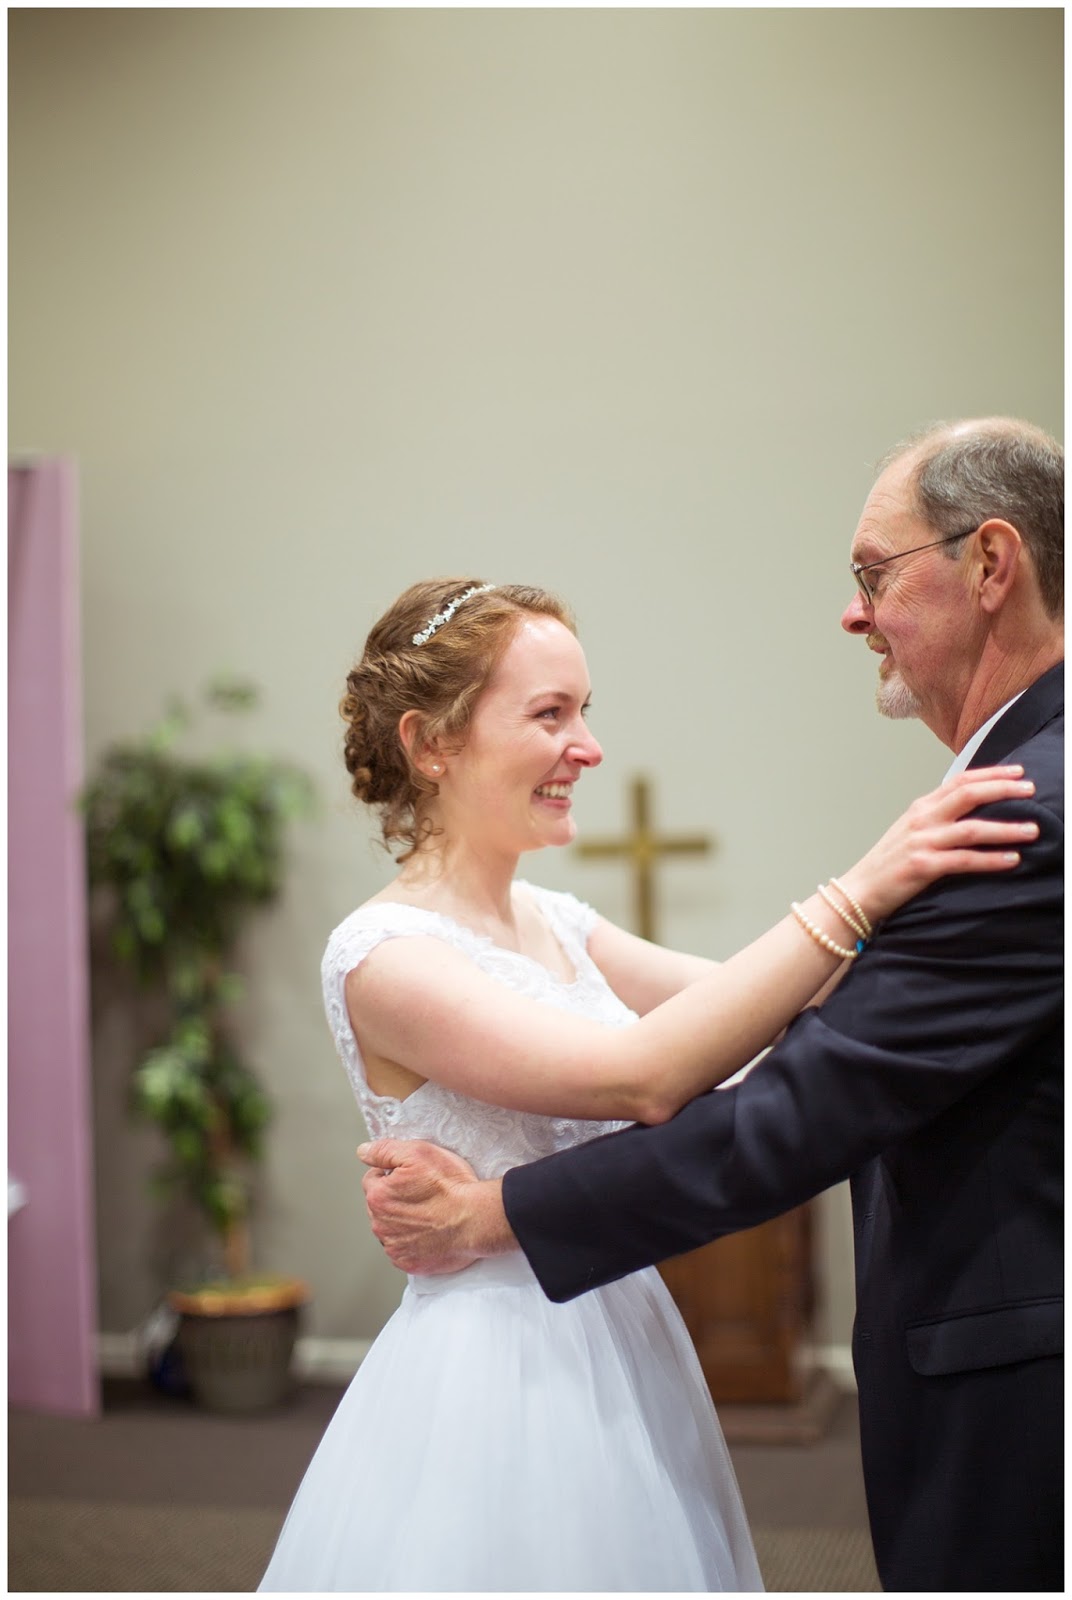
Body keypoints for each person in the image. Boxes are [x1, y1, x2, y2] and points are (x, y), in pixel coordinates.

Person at [361, 418, 1064, 1593]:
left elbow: (774, 1036)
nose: (587, 747)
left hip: (614, 1316)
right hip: (493, 1355)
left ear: (990, 564)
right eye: (548, 714)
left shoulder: (1020, 803)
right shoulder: (382, 952)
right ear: (432, 745)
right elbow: (658, 1070)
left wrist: (497, 1213)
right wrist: (863, 889)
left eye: (871, 573)